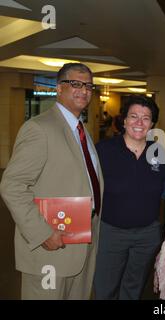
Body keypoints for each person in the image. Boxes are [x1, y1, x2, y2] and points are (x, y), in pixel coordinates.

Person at [0, 63, 103, 299]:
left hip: (81, 240)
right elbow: (12, 185)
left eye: (88, 85)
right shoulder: (39, 128)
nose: (83, 90)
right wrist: (41, 232)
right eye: (75, 83)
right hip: (51, 245)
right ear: (59, 88)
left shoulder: (82, 131)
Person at [94, 95, 165, 300]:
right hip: (111, 233)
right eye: (134, 116)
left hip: (146, 235)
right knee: (105, 288)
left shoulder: (159, 153)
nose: (139, 123)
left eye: (146, 118)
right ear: (124, 120)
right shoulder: (103, 150)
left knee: (133, 288)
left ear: (152, 124)